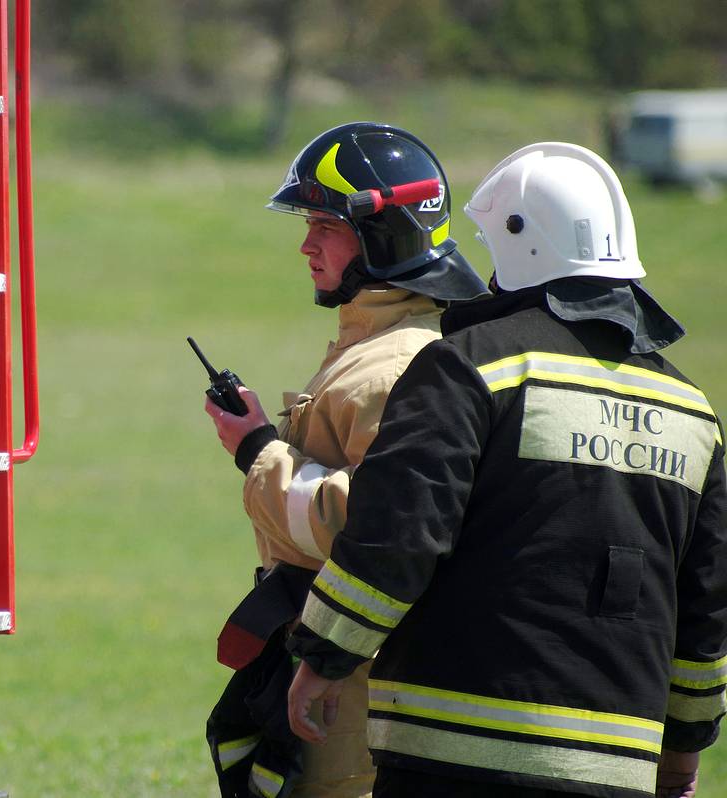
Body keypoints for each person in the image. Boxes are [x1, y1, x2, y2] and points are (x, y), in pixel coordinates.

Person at [285, 141, 727, 798]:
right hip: (617, 767)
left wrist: (323, 657)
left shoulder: (471, 367)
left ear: (518, 245)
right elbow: (706, 606)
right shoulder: (693, 412)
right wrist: (684, 750)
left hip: (450, 751)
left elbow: (400, 534)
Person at [203, 122, 488, 798]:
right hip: (343, 669)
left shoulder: (391, 368)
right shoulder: (385, 340)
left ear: (381, 234)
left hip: (355, 690)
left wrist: (257, 453)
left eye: (325, 226)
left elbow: (373, 527)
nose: (306, 244)